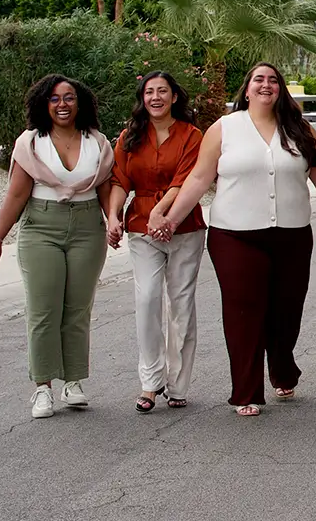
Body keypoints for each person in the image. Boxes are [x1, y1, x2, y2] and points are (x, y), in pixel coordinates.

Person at [156, 63, 316, 417]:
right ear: (246, 89)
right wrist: (171, 218)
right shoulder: (224, 129)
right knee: (243, 311)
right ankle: (245, 391)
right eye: (258, 80)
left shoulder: (301, 130)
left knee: (286, 311)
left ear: (281, 90)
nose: (266, 85)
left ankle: (281, 364)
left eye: (273, 80)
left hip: (292, 235)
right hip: (234, 235)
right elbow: (200, 179)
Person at [0, 75, 115, 419]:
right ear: (44, 104)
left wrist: (113, 220)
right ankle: (43, 388)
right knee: (44, 310)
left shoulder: (97, 142)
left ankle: (73, 382)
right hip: (41, 226)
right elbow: (15, 193)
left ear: (80, 103)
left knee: (77, 309)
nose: (62, 105)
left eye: (69, 98)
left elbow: (104, 189)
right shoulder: (31, 143)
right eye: (54, 99)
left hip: (88, 227)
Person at [106, 71, 205, 413]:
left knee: (181, 304)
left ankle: (178, 385)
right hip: (141, 228)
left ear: (175, 97)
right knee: (147, 298)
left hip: (185, 226)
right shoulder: (129, 136)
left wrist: (163, 214)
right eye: (149, 92)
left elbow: (187, 179)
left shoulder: (192, 136)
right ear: (143, 98)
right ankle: (150, 382)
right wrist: (113, 215)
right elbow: (120, 179)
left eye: (163, 91)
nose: (156, 97)